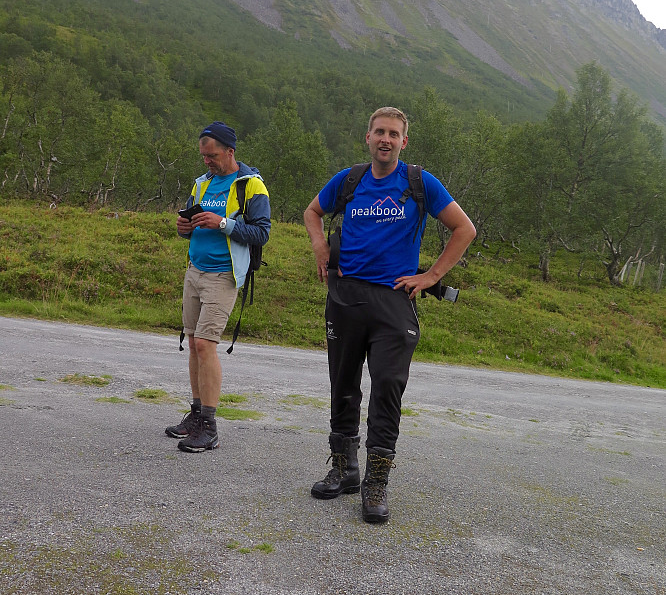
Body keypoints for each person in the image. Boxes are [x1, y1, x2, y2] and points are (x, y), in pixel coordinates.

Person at [303, 106, 476, 523]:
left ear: (403, 142)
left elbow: (464, 228)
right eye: (379, 131)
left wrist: (431, 275)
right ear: (368, 137)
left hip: (394, 303)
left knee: (386, 390)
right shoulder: (350, 180)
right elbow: (312, 212)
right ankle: (344, 470)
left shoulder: (420, 183)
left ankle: (376, 483)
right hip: (345, 297)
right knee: (343, 384)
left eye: (393, 134)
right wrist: (320, 248)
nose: (385, 139)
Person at [166, 121, 270, 453]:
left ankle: (209, 428)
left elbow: (262, 233)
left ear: (229, 151)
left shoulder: (251, 186)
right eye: (203, 156)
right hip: (194, 270)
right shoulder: (201, 185)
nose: (207, 162)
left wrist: (223, 223)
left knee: (206, 346)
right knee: (194, 342)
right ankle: (196, 416)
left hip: (223, 276)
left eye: (212, 156)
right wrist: (184, 227)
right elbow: (190, 227)